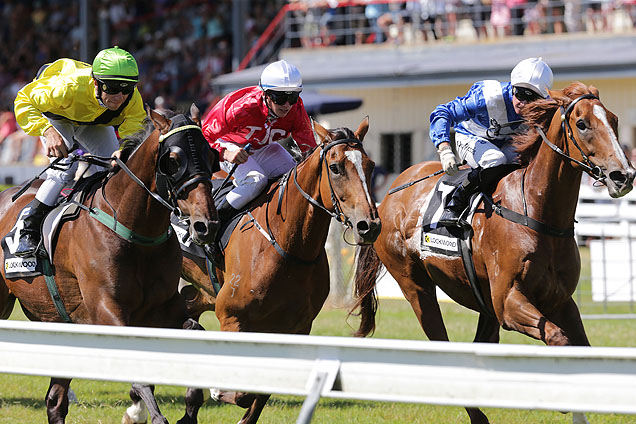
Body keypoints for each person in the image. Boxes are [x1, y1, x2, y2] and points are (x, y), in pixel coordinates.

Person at [13, 46, 146, 257]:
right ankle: (27, 229)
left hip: (93, 121)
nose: (119, 96)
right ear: (96, 82)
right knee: (65, 167)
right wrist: (47, 132)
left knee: (118, 167)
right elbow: (23, 100)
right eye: (111, 88)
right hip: (57, 115)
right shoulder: (68, 86)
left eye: (126, 89)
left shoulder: (132, 98)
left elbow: (135, 127)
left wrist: (125, 149)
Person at [429, 57, 553, 227]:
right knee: (495, 159)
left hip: (505, 142)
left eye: (532, 99)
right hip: (470, 136)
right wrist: (444, 149)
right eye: (520, 94)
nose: (523, 103)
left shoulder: (545, 108)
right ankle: (455, 204)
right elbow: (443, 112)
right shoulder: (486, 97)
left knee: (527, 161)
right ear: (512, 87)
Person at [201, 59, 316, 221]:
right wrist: (225, 153)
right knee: (256, 180)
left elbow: (309, 148)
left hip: (261, 147)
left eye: (293, 97)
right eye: (280, 97)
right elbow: (203, 138)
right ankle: (212, 222)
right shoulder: (240, 108)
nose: (287, 105)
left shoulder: (296, 109)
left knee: (295, 177)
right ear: (265, 94)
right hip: (226, 145)